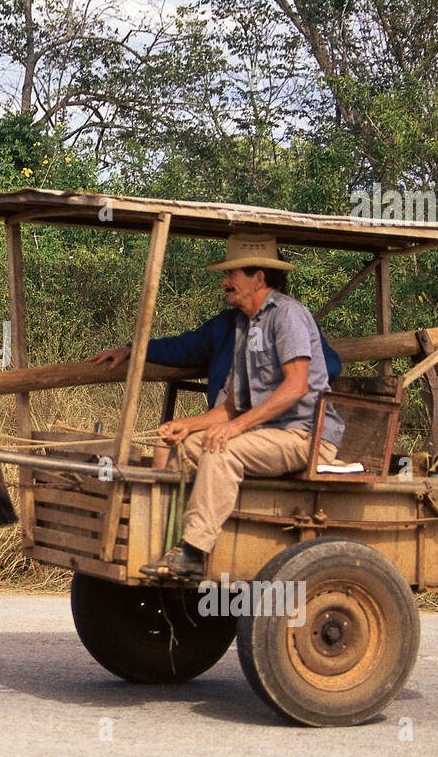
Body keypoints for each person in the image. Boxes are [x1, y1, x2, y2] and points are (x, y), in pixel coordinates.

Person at [92, 233, 344, 579]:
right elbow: (231, 407)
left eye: (232, 274)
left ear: (259, 277)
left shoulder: (288, 315)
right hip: (268, 435)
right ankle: (166, 543)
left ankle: (194, 552)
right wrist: (187, 425)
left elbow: (297, 386)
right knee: (189, 444)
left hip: (305, 436)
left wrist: (236, 428)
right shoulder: (243, 326)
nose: (224, 282)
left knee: (221, 450)